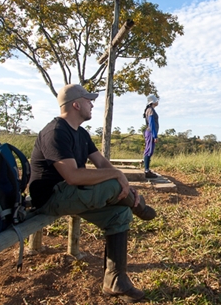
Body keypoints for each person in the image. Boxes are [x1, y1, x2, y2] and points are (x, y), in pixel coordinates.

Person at [29, 84, 156, 303]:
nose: (92, 104)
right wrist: (117, 177)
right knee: (113, 186)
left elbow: (100, 163)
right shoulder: (55, 132)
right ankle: (139, 205)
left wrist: (119, 176)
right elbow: (73, 176)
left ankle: (116, 281)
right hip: (52, 197)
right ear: (76, 105)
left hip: (72, 194)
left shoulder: (81, 133)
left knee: (120, 214)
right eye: (88, 100)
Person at [143, 94, 159, 179]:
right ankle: (146, 170)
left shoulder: (150, 109)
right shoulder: (150, 110)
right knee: (149, 151)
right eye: (156, 100)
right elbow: (152, 123)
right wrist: (155, 135)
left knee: (150, 151)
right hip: (150, 132)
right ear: (153, 101)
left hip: (150, 132)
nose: (158, 101)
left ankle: (147, 169)